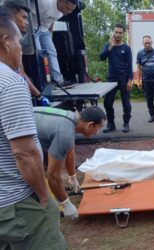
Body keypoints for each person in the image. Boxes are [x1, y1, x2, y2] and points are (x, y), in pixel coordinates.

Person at [0, 13, 65, 249]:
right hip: (17, 201)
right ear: (6, 41)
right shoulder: (9, 82)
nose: (20, 48)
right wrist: (44, 196)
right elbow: (24, 153)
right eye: (19, 42)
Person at [34, 106, 106, 219]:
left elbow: (70, 152)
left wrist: (72, 176)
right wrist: (66, 203)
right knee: (30, 173)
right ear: (90, 124)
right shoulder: (65, 134)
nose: (96, 133)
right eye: (97, 128)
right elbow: (52, 175)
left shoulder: (71, 118)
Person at [3, 0, 50, 106]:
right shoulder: (6, 43)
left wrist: (39, 96)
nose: (27, 22)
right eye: (23, 17)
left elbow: (21, 73)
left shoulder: (14, 42)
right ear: (11, 14)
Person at [30, 0, 77, 86]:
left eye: (71, 10)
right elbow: (26, 12)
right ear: (60, 1)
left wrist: (50, 32)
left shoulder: (62, 11)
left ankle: (58, 81)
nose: (68, 12)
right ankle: (43, 82)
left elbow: (52, 19)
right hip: (32, 28)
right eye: (67, 8)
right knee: (40, 55)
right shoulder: (45, 3)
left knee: (52, 52)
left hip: (44, 30)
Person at [100, 23, 133, 133]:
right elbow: (102, 57)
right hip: (111, 79)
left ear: (123, 34)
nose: (118, 34)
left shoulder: (126, 48)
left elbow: (130, 65)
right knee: (107, 102)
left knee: (126, 103)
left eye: (120, 33)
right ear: (113, 33)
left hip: (124, 78)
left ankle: (126, 123)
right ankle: (111, 124)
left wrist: (130, 80)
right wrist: (110, 46)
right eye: (116, 32)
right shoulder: (108, 45)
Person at [136, 35, 154, 122]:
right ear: (143, 43)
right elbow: (138, 68)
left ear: (151, 42)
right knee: (149, 99)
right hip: (146, 80)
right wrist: (138, 81)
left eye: (149, 42)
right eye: (145, 43)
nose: (147, 44)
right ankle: (152, 116)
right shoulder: (140, 54)